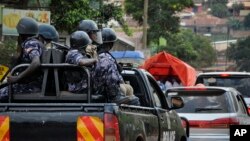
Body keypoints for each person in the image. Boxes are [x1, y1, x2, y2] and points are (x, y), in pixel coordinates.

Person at [93, 27, 140, 105]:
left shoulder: (95, 56)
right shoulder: (107, 58)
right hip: (109, 95)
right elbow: (112, 81)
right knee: (135, 100)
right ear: (111, 44)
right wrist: (115, 95)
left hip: (98, 91)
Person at [0, 17, 44, 99]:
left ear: (22, 32)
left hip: (31, 86)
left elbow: (36, 62)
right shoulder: (35, 42)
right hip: (33, 83)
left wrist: (17, 78)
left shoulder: (30, 43)